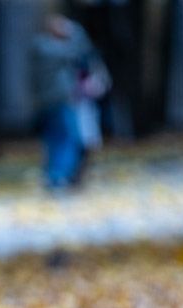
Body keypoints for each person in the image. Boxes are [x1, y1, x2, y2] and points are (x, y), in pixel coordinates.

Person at [29, 13, 111, 189]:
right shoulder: (46, 47)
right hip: (57, 101)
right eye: (61, 26)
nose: (66, 30)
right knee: (68, 138)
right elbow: (80, 49)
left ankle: (57, 177)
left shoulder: (47, 47)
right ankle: (58, 177)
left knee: (58, 140)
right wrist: (77, 31)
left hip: (56, 101)